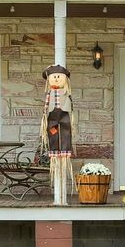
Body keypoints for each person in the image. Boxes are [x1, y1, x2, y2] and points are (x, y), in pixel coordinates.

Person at [40, 65, 75, 205]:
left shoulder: (66, 93)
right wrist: (45, 118)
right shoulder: (49, 94)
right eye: (53, 76)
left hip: (64, 116)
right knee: (53, 133)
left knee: (65, 132)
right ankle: (55, 151)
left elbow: (70, 107)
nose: (55, 78)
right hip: (52, 118)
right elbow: (45, 109)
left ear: (64, 79)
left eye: (59, 76)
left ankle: (64, 150)